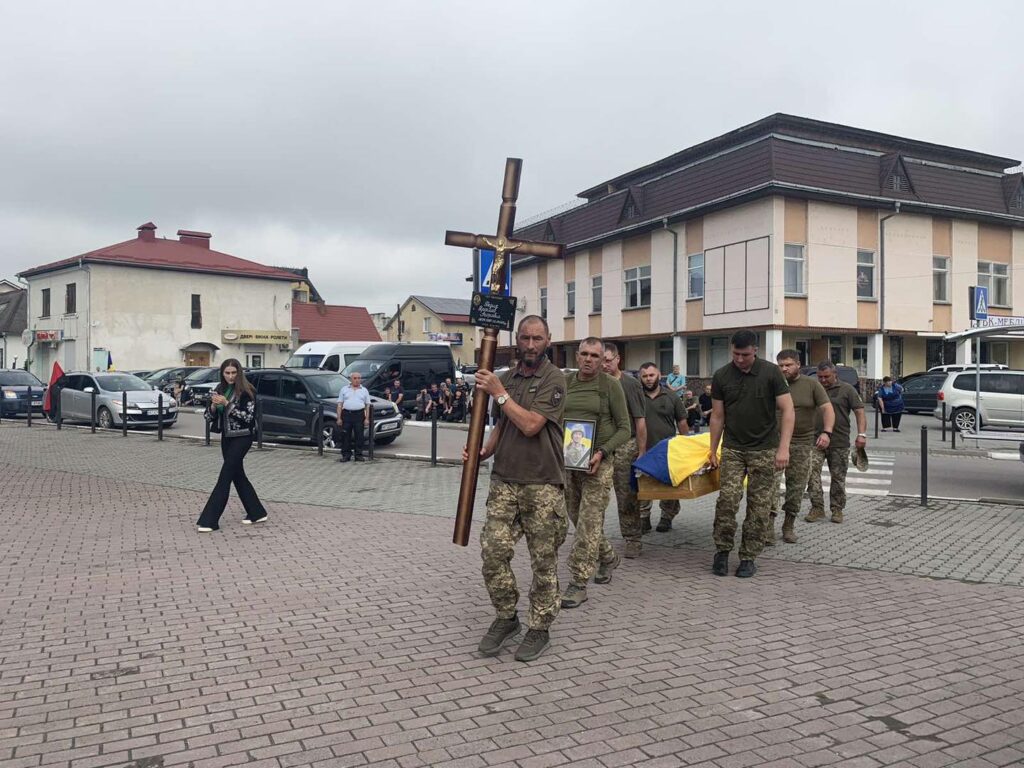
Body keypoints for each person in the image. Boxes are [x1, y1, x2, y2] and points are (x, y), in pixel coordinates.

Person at [468, 314, 567, 663]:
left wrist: (498, 393)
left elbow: (530, 425)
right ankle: (507, 617)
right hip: (505, 480)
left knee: (544, 562)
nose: (529, 345)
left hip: (542, 484)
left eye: (537, 339)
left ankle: (539, 627)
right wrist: (485, 450)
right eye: (524, 338)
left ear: (548, 340)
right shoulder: (508, 378)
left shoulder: (555, 379)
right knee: (492, 553)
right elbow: (503, 425)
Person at [709, 329, 794, 578]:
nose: (739, 359)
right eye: (735, 353)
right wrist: (712, 450)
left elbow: (788, 411)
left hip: (765, 449)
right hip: (733, 449)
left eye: (745, 354)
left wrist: (784, 448)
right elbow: (717, 416)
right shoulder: (722, 375)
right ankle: (722, 551)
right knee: (727, 501)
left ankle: (748, 556)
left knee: (759, 506)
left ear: (754, 350)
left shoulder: (771, 373)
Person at [561, 337, 631, 609]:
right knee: (578, 519)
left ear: (603, 360)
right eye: (584, 354)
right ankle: (609, 556)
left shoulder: (610, 386)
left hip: (599, 465)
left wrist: (602, 452)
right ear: (577, 356)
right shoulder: (566, 384)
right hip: (570, 462)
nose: (589, 359)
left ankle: (578, 583)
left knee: (589, 521)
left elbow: (625, 428)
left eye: (595, 355)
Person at [767, 350, 834, 545]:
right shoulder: (773, 384)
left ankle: (788, 526)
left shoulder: (811, 384)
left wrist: (826, 432)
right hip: (775, 443)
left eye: (788, 364)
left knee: (796, 487)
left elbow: (827, 409)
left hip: (802, 443)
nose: (784, 368)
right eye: (780, 365)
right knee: (770, 486)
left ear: (798, 364)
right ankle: (768, 528)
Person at [197, 359, 267, 531]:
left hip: (243, 437)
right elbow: (207, 417)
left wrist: (227, 404)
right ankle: (257, 512)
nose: (230, 376)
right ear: (222, 373)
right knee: (237, 475)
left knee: (225, 476)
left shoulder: (247, 391)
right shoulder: (219, 389)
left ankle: (209, 520)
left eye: (233, 373)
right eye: (227, 373)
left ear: (239, 373)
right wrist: (213, 406)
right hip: (227, 438)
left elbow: (248, 417)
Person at [601, 343, 648, 559]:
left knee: (626, 495)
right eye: (601, 360)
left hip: (624, 445)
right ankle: (594, 539)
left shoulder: (629, 384)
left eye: (608, 360)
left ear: (618, 359)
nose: (604, 365)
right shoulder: (595, 382)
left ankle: (632, 538)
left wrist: (641, 451)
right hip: (599, 444)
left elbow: (640, 420)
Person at [806, 361, 867, 524]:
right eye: (820, 377)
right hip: (815, 440)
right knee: (811, 474)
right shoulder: (813, 388)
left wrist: (862, 435)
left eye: (826, 376)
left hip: (839, 441)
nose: (823, 380)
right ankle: (817, 507)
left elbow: (859, 412)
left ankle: (837, 509)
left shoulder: (847, 389)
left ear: (835, 374)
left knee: (838, 477)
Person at [637, 362, 689, 542]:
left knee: (669, 486)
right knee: (643, 486)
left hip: (668, 450)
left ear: (659, 374)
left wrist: (686, 446)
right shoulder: (636, 396)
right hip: (643, 449)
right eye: (644, 376)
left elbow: (682, 422)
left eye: (651, 375)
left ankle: (666, 517)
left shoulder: (671, 396)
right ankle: (644, 518)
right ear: (640, 377)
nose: (648, 379)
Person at [336, 371, 371, 462]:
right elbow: (340, 404)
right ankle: (346, 455)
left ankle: (358, 455)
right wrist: (339, 418)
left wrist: (367, 418)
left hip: (359, 415)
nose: (357, 380)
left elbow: (367, 405)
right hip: (347, 414)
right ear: (351, 379)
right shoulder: (344, 389)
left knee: (359, 436)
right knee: (345, 436)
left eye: (359, 378)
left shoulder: (364, 390)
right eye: (355, 378)